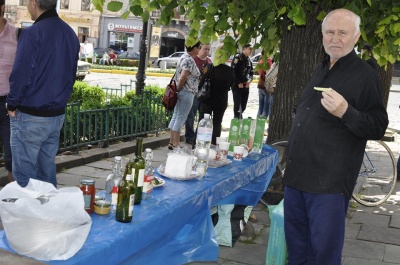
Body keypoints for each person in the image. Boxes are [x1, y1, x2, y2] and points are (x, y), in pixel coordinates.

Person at [282, 9, 388, 264]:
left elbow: (378, 125)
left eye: (343, 33)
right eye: (330, 32)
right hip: (297, 178)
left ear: (356, 37)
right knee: (297, 251)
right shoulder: (321, 67)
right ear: (322, 35)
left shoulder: (365, 74)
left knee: (324, 255)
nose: (335, 38)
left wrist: (346, 112)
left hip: (328, 185)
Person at [6, 0, 80, 187]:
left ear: (34, 3)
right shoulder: (69, 33)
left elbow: (21, 73)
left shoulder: (32, 33)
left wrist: (12, 103)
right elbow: (71, 75)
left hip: (31, 113)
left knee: (24, 176)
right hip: (56, 115)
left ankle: (31, 215)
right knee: (47, 172)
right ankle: (48, 213)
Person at [168, 41, 201, 149]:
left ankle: (171, 142)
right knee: (181, 118)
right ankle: (176, 143)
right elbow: (183, 77)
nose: (200, 49)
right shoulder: (189, 60)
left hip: (182, 91)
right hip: (186, 92)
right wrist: (179, 90)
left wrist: (177, 91)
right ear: (195, 48)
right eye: (199, 47)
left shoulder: (184, 56)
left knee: (176, 116)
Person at [200, 44, 234, 145]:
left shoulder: (210, 67)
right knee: (217, 123)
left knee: (203, 123)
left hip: (208, 99)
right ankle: (214, 145)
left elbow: (201, 82)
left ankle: (199, 144)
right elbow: (231, 85)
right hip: (221, 100)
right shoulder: (230, 71)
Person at [0, 0, 17, 183]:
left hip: (8, 103)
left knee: (12, 154)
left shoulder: (17, 35)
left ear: (2, 7)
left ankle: (13, 200)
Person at [184, 44, 212, 145]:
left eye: (208, 49)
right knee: (191, 115)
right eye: (205, 49)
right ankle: (189, 136)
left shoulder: (209, 61)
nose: (206, 51)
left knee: (203, 116)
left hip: (204, 93)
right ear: (200, 49)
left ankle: (199, 135)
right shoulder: (194, 60)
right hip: (194, 91)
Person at [231, 43, 254, 119]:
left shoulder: (249, 60)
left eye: (252, 49)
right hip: (237, 86)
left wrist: (249, 81)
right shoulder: (238, 58)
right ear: (244, 49)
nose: (251, 51)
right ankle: (237, 120)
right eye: (249, 49)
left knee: (243, 105)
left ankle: (239, 117)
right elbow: (233, 71)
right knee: (237, 106)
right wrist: (238, 82)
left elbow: (251, 73)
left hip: (245, 86)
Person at [257, 50, 272, 119]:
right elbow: (268, 73)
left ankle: (258, 118)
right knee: (266, 105)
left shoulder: (260, 61)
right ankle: (263, 119)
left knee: (260, 105)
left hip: (260, 83)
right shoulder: (268, 61)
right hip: (266, 84)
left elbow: (259, 73)